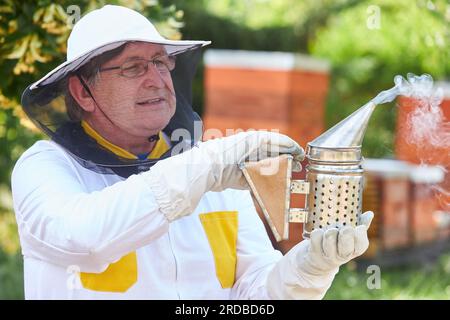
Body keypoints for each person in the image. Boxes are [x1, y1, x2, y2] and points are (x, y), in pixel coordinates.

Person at [11, 5, 373, 299]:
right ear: (82, 92)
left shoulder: (213, 172)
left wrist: (309, 268)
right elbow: (83, 240)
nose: (155, 79)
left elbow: (255, 296)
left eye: (159, 63)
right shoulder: (45, 168)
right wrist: (207, 166)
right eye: (133, 67)